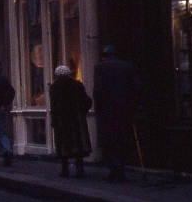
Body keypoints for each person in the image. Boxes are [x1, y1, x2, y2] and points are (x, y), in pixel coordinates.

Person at [92, 45, 140, 183]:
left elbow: (98, 90)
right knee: (123, 138)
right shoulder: (127, 66)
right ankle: (121, 168)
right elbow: (136, 87)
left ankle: (114, 168)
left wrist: (99, 107)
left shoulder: (100, 68)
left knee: (109, 140)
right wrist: (133, 104)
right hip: (124, 109)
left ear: (104, 56)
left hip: (107, 110)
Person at [49, 64, 92, 178]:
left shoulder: (55, 87)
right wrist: (83, 111)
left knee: (63, 146)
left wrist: (54, 120)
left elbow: (53, 106)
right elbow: (87, 100)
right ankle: (80, 170)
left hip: (62, 120)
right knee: (78, 146)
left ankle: (65, 170)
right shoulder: (77, 85)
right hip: (76, 119)